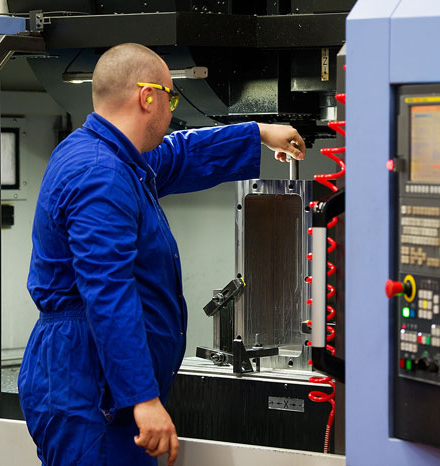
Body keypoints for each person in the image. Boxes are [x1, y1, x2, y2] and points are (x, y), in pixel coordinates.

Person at [17, 43, 306, 466]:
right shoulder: (100, 174)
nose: (172, 111)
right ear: (147, 97)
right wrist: (143, 398)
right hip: (89, 386)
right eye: (171, 98)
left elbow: (178, 153)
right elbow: (108, 292)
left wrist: (259, 132)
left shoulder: (109, 156)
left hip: (95, 382)